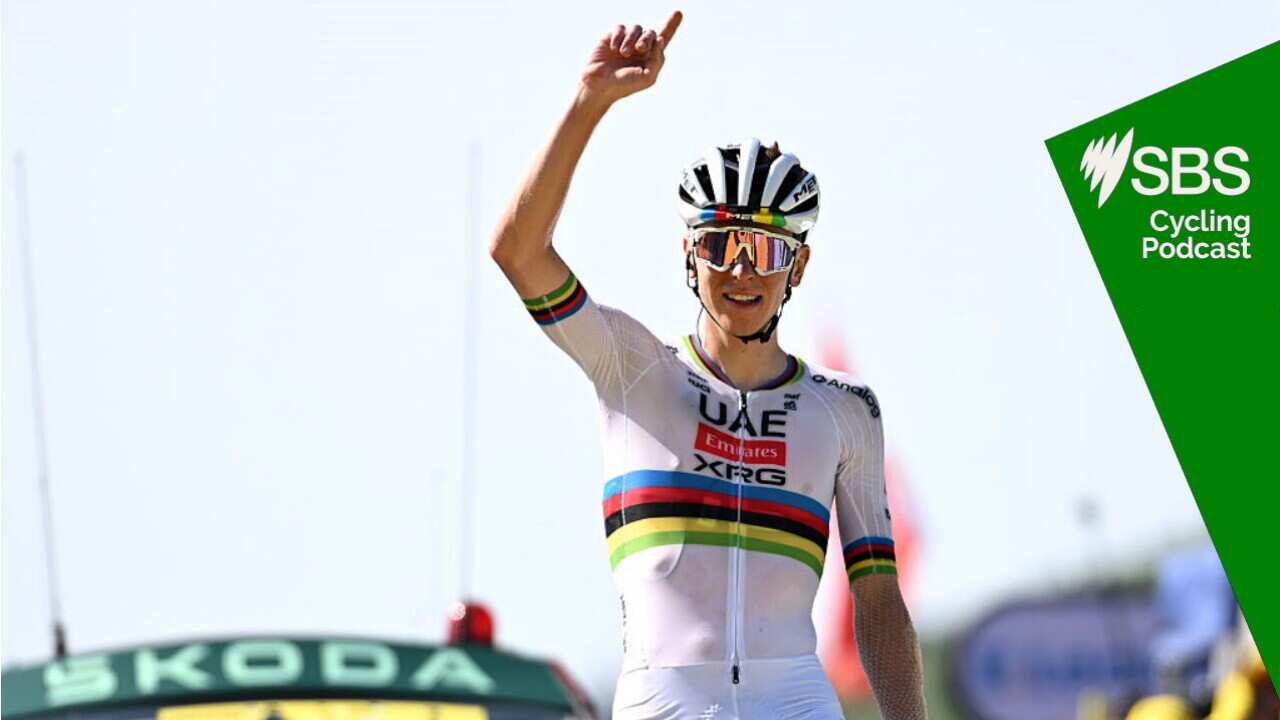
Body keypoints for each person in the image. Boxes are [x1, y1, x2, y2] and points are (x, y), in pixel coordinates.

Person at [489, 11, 927, 719]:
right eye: (720, 246)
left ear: (800, 266)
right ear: (690, 257)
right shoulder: (633, 368)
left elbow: (878, 601)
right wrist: (589, 102)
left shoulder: (845, 411)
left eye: (767, 250)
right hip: (665, 700)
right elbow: (518, 251)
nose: (742, 271)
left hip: (796, 702)